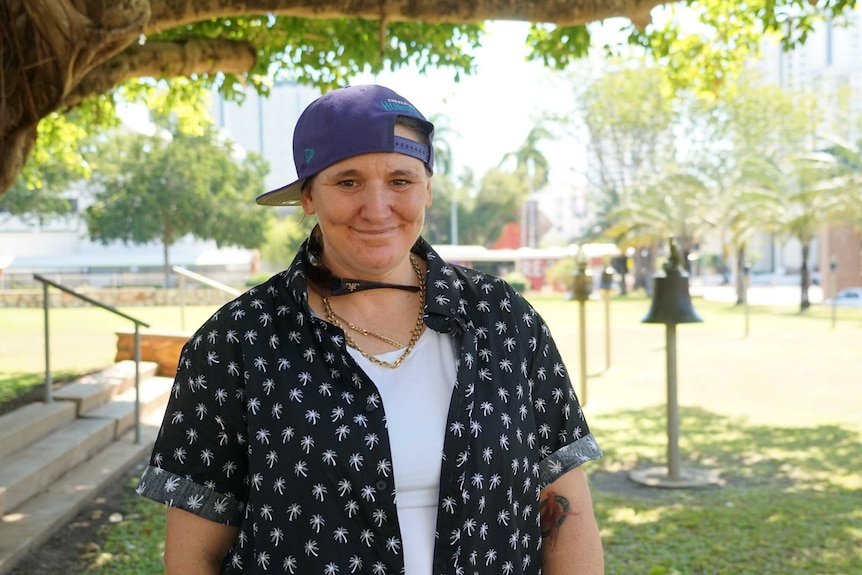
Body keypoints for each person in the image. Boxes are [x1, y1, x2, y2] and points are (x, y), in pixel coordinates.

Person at [137, 84, 604, 575]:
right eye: (348, 182)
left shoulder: (506, 321)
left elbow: (564, 510)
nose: (377, 208)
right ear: (308, 195)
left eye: (400, 180)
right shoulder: (234, 344)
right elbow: (195, 554)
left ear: (428, 188)